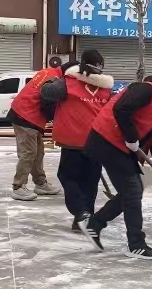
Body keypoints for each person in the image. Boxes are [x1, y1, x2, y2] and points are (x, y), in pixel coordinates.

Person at [79, 71, 152, 260]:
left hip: (119, 146)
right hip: (106, 141)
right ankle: (136, 244)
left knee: (133, 191)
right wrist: (131, 138)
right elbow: (121, 109)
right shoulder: (146, 90)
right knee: (132, 191)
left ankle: (94, 224)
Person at [40, 50, 113, 231]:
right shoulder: (106, 88)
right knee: (90, 181)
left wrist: (56, 78)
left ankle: (81, 213)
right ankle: (83, 221)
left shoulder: (67, 84)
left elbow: (45, 92)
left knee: (68, 177)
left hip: (73, 141)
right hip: (97, 142)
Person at [7, 62, 77, 201]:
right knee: (28, 152)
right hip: (26, 115)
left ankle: (40, 183)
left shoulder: (49, 71)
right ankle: (18, 186)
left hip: (27, 114)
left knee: (38, 152)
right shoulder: (56, 81)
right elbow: (48, 104)